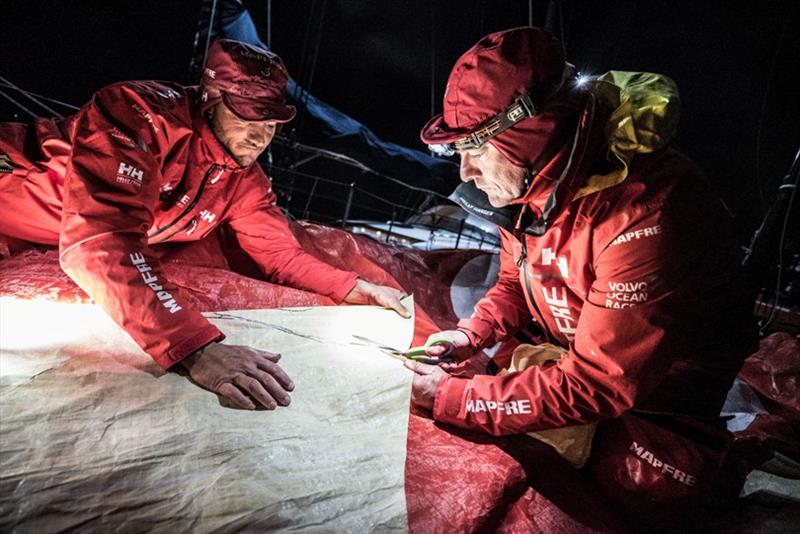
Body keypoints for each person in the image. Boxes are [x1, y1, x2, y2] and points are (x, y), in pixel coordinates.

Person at [0, 39, 408, 410]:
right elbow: (102, 240)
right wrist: (196, 349)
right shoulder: (137, 113)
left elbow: (279, 254)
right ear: (210, 98)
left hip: (36, 234)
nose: (259, 137)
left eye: (270, 124)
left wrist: (351, 286)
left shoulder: (242, 177)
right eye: (247, 117)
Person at [406, 27, 753, 438]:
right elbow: (519, 279)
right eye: (459, 153)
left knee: (608, 495)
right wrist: (472, 334)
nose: (466, 173)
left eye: (477, 151)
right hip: (574, 366)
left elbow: (600, 381)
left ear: (530, 136)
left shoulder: (646, 213)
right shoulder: (531, 188)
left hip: (659, 410)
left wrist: (454, 398)